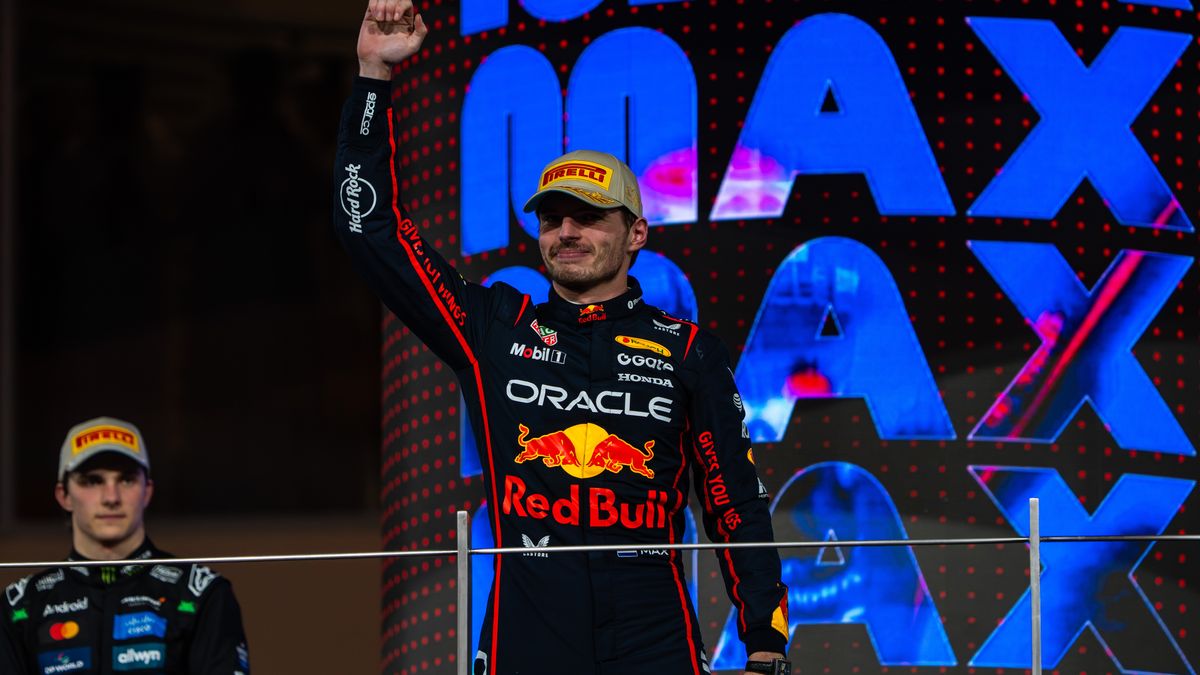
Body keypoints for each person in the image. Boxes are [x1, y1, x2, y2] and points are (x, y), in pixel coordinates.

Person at [336, 2, 791, 673]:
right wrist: (373, 77)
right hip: (530, 622)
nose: (567, 232)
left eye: (588, 217)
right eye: (553, 218)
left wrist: (765, 640)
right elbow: (369, 231)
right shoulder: (493, 325)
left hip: (652, 625)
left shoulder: (688, 349)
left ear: (636, 233)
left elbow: (734, 502)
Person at [0, 417, 251, 674]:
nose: (111, 498)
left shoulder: (201, 593)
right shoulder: (22, 605)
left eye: (127, 480)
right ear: (64, 495)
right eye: (93, 481)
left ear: (147, 491)